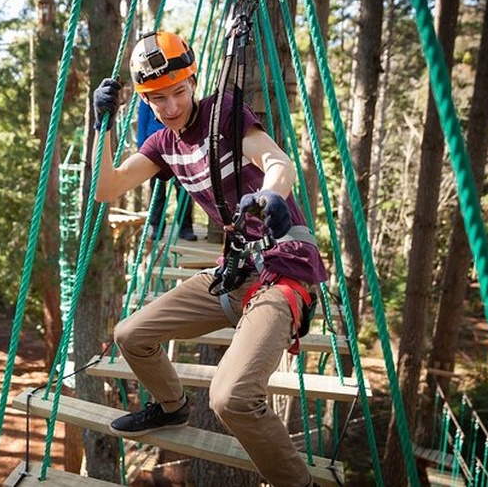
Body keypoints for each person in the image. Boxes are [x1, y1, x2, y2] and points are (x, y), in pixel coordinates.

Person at [92, 31, 327, 487]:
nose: (172, 106)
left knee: (231, 398)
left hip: (283, 272)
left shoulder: (225, 114)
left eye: (179, 91)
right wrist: (101, 125)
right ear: (145, 99)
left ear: (193, 81)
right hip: (235, 273)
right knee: (130, 334)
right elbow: (108, 188)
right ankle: (171, 406)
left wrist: (268, 196)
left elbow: (278, 162)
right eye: (158, 98)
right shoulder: (163, 144)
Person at [137, 99, 197, 241]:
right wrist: (142, 151)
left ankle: (185, 227)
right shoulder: (146, 98)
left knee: (184, 189)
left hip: (178, 143)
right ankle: (157, 227)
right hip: (155, 148)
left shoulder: (174, 94)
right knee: (157, 191)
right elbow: (142, 122)